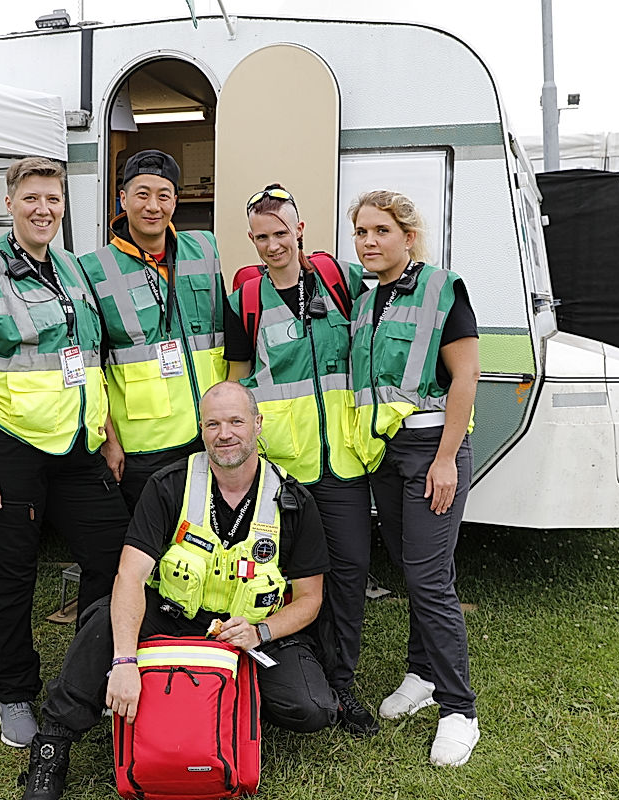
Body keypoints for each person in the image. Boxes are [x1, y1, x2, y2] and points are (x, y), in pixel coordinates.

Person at [20, 382, 338, 800]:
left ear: (258, 425)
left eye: (236, 422)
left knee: (312, 707)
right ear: (201, 429)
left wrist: (260, 633)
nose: (225, 434)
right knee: (102, 620)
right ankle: (52, 750)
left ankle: (223, 702)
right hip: (173, 616)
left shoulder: (293, 499)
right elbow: (130, 577)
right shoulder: (169, 485)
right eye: (213, 424)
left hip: (248, 633)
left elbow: (311, 598)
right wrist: (126, 660)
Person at [0, 157, 128, 750]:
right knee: (9, 574)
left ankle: (91, 669)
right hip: (5, 445)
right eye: (32, 198)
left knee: (116, 554)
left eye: (53, 199)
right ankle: (15, 694)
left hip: (76, 445)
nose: (43, 209)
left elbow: (92, 358)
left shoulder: (71, 268)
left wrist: (111, 434)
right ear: (10, 202)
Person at [224, 184, 377, 735]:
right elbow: (238, 381)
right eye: (261, 237)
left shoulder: (341, 282)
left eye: (281, 233)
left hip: (343, 463)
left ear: (301, 229)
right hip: (282, 469)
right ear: (251, 240)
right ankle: (287, 669)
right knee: (282, 574)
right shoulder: (246, 298)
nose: (272, 245)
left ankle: (340, 685)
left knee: (350, 572)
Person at [346, 189, 482, 766]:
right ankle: (422, 676)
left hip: (432, 448)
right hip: (385, 451)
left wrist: (447, 457)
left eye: (381, 231)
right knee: (413, 568)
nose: (370, 242)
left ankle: (459, 710)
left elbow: (467, 375)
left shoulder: (441, 288)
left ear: (408, 236)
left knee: (428, 580)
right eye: (361, 233)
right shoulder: (364, 296)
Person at [80, 149, 229, 510]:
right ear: (123, 199)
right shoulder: (93, 269)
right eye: (142, 194)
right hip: (144, 443)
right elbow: (91, 368)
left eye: (163, 195)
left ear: (175, 201)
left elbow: (231, 333)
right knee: (149, 541)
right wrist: (108, 439)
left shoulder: (205, 248)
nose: (153, 206)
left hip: (209, 431)